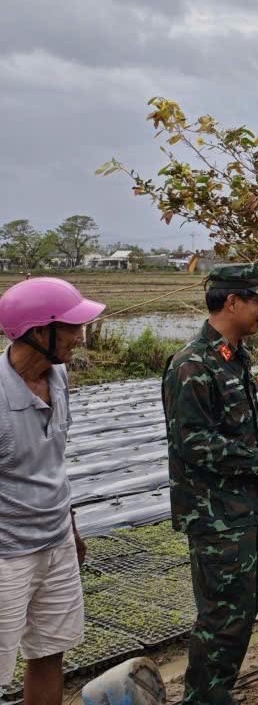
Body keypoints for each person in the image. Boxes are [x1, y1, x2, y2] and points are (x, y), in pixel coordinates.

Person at [162, 264, 258, 705]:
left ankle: (216, 693)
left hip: (240, 509)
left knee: (240, 610)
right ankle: (204, 697)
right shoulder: (192, 365)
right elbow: (194, 443)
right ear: (232, 301)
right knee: (222, 616)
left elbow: (234, 431)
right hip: (215, 517)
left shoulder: (234, 357)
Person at [0, 278, 103, 705]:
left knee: (49, 651)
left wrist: (70, 530)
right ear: (40, 332)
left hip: (56, 543)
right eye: (72, 326)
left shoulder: (58, 376)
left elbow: (55, 462)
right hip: (8, 555)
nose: (80, 336)